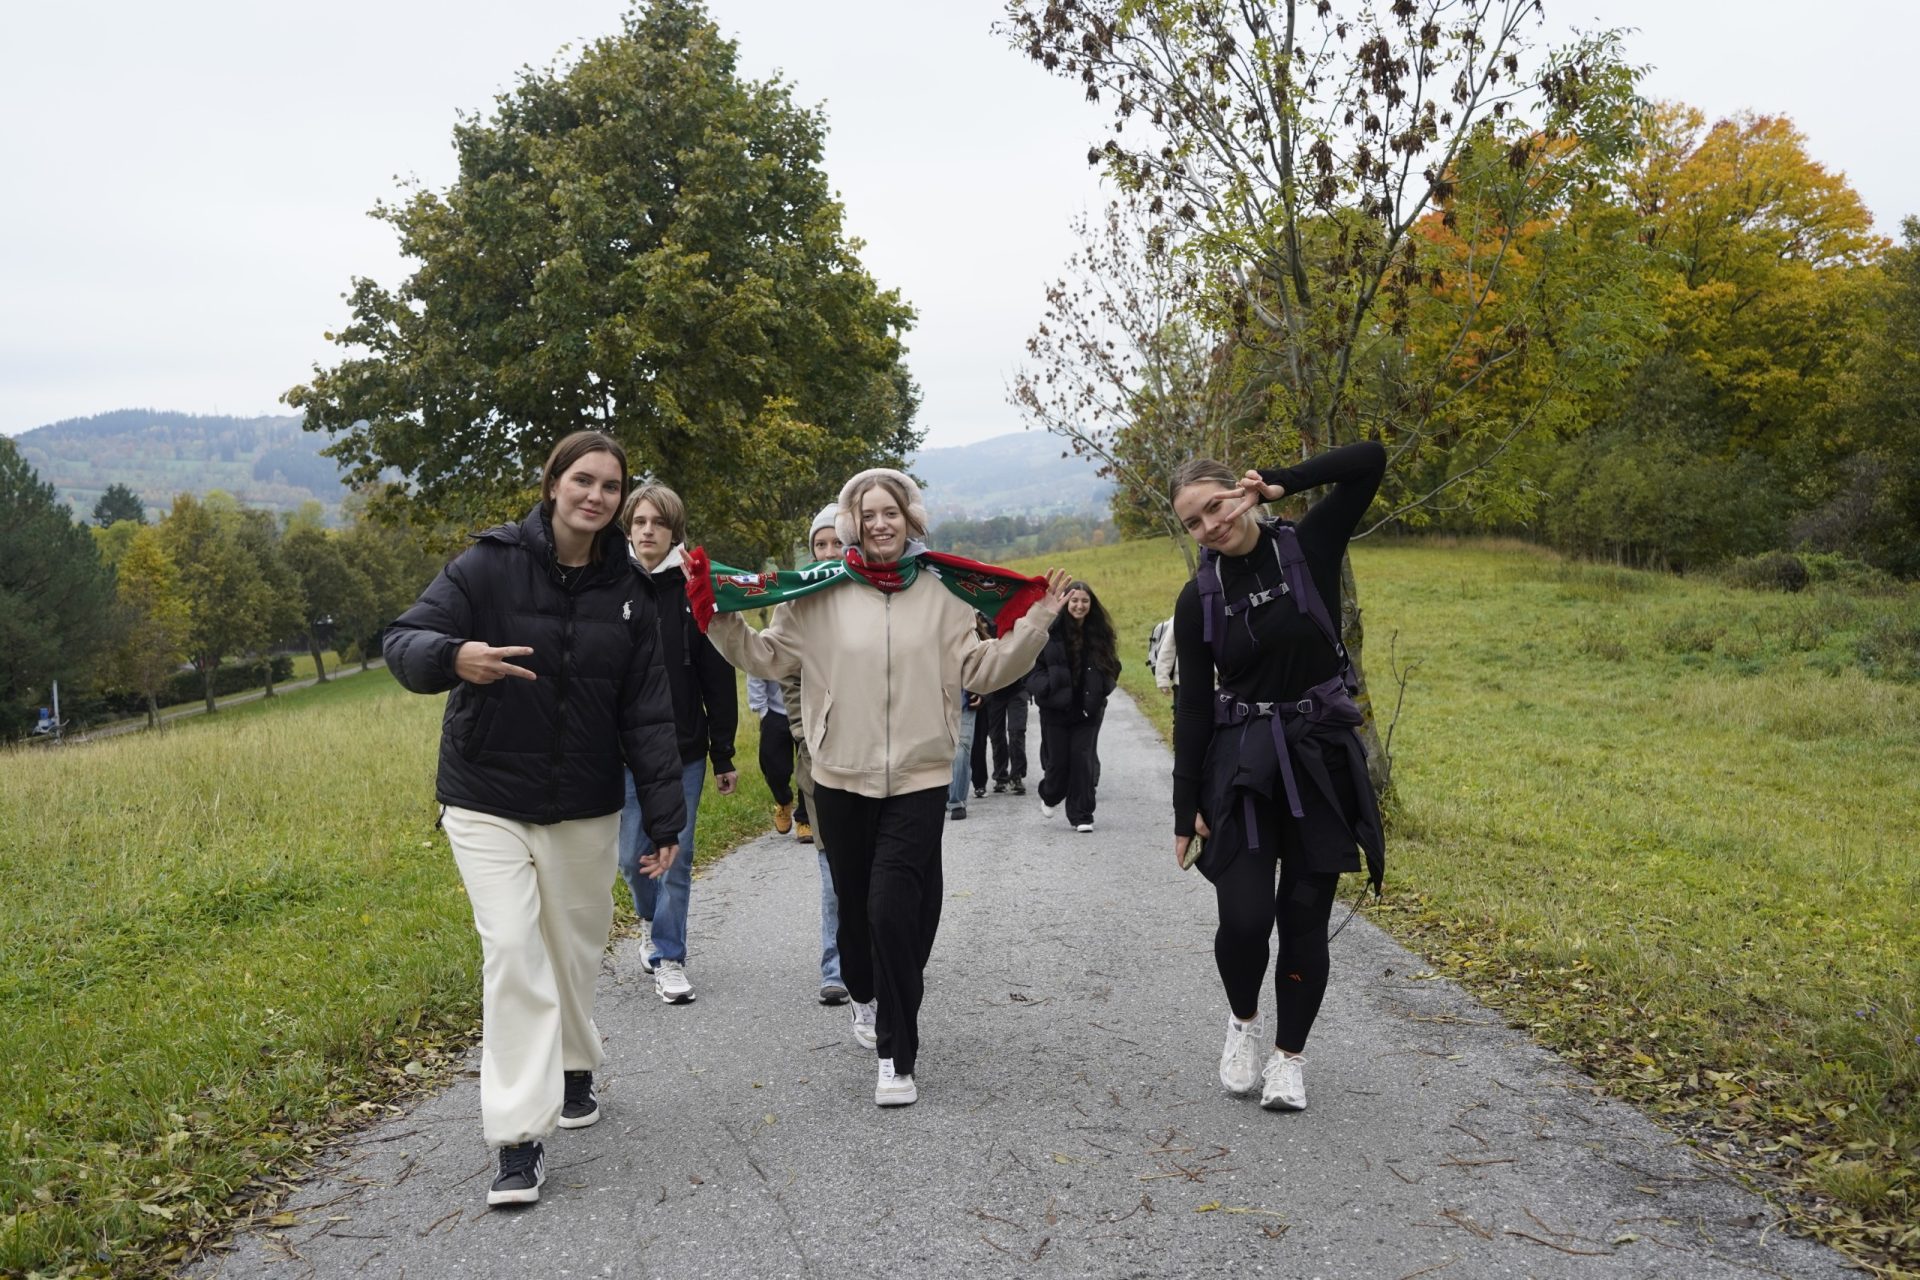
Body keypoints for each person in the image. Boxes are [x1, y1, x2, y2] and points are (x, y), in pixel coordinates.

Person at [689, 468, 1069, 1107]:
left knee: (894, 909)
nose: (880, 523)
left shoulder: (945, 591)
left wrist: (1035, 625)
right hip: (839, 777)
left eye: (891, 511)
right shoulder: (816, 592)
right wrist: (714, 615)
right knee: (858, 919)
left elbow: (982, 666)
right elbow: (766, 656)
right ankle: (864, 991)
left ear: (911, 519)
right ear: (851, 526)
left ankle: (898, 1052)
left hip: (921, 775)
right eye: (867, 515)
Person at [383, 430, 686, 1207]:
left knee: (573, 950)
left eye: (611, 487)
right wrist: (455, 657)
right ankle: (518, 1139)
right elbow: (403, 639)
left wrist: (663, 819)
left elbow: (646, 710)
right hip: (486, 797)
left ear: (621, 501)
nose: (596, 496)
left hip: (584, 803)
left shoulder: (629, 589)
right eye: (582, 480)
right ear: (553, 484)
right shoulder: (487, 564)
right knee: (515, 951)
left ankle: (575, 1065)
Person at [1168, 442, 1387, 1115]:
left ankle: (1290, 1059)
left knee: (1301, 918)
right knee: (1244, 917)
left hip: (1318, 755)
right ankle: (1242, 1021)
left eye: (1217, 504)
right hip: (1241, 764)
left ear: (1239, 492)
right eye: (1194, 522)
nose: (1211, 524)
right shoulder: (1197, 596)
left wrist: (1281, 483)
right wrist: (1185, 811)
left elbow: (1369, 460)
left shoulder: (1310, 545)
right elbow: (1194, 706)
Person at [619, 482, 739, 1006]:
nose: (648, 531)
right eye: (640, 521)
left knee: (678, 854)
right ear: (629, 527)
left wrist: (723, 752)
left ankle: (670, 955)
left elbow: (718, 674)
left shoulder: (694, 589)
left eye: (658, 523)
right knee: (631, 857)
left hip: (683, 748)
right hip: (621, 752)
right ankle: (648, 920)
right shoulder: (608, 583)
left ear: (674, 532)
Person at [777, 502, 851, 1003]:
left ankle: (876, 954)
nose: (827, 553)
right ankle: (835, 967)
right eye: (819, 545)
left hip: (872, 759)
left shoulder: (871, 596)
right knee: (831, 870)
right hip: (818, 761)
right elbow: (786, 674)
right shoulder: (799, 600)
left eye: (836, 544)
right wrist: (805, 732)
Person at [1028, 581, 1121, 833]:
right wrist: (1047, 686)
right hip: (1055, 711)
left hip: (1087, 711)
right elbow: (1030, 669)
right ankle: (1049, 793)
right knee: (1058, 765)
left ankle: (1082, 814)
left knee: (1082, 762)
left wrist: (1103, 688)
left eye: (1085, 601)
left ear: (1091, 605)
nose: (1079, 605)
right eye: (1074, 600)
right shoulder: (1048, 632)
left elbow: (1114, 666)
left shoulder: (1100, 633)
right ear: (1066, 603)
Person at [748, 674, 801, 836]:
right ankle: (784, 800)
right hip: (775, 711)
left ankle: (805, 818)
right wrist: (762, 710)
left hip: (808, 709)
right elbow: (755, 667)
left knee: (810, 767)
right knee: (772, 765)